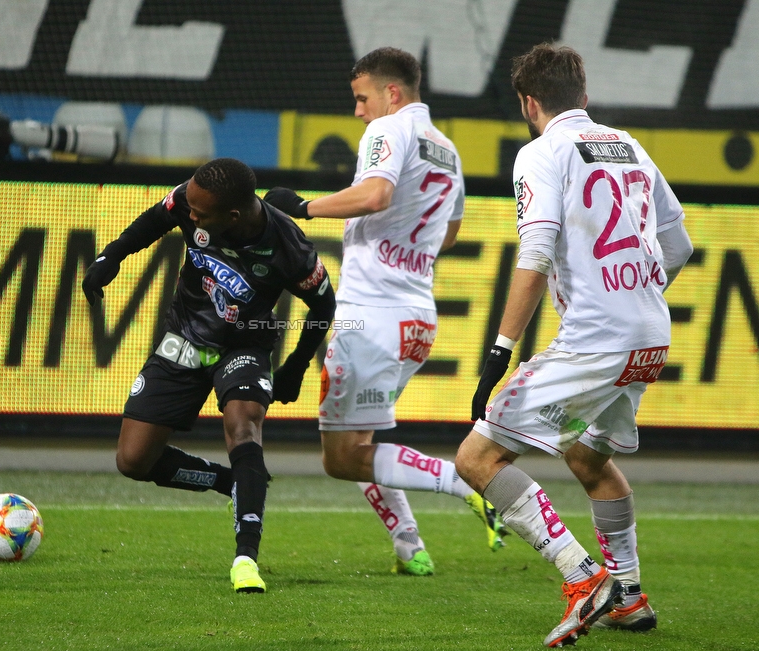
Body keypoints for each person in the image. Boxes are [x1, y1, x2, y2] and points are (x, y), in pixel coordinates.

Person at [454, 43, 694, 647]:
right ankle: (630, 595)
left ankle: (585, 579)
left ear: (528, 103)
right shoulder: (630, 146)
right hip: (649, 333)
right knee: (588, 459)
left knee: (476, 460)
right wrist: (633, 292)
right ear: (583, 97)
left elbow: (535, 256)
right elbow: (680, 245)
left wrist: (499, 350)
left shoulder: (540, 153)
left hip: (595, 339)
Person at [264, 46, 506, 577]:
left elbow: (374, 195)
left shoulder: (388, 130)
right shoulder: (446, 148)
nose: (358, 111)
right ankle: (409, 545)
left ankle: (462, 481)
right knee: (362, 444)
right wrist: (408, 257)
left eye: (362, 97)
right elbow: (452, 230)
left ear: (391, 93)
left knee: (340, 457)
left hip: (369, 318)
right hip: (416, 320)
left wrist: (301, 207)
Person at [81, 157, 336, 593]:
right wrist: (112, 255)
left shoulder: (289, 247)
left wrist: (295, 366)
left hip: (245, 345)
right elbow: (157, 218)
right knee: (133, 461)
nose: (189, 213)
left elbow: (324, 307)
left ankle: (245, 559)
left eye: (199, 213)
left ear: (232, 216)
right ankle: (229, 481)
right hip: (184, 336)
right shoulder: (192, 199)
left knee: (243, 425)